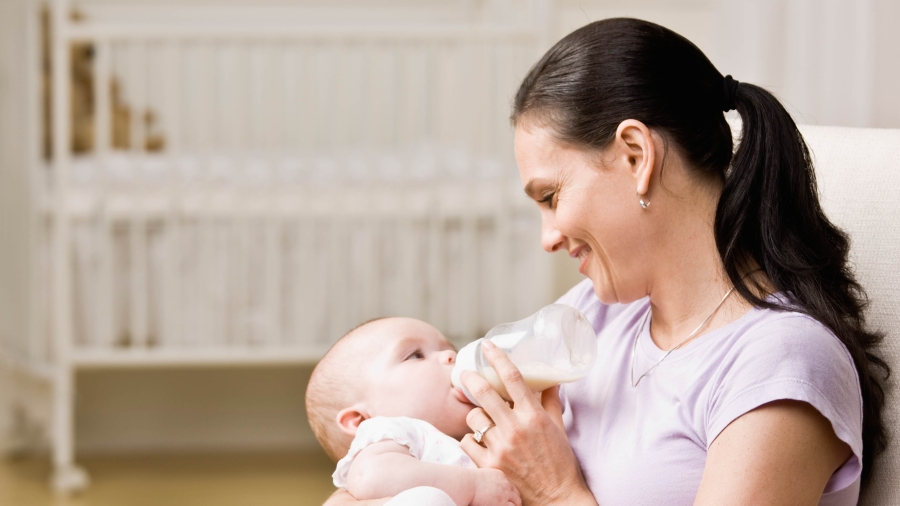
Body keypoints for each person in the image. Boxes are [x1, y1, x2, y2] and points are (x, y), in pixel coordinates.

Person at [323, 17, 888, 506]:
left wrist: (556, 492)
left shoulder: (777, 363)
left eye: (550, 197)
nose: (547, 236)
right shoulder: (596, 316)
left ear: (635, 156)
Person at [305, 317, 521, 506]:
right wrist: (473, 486)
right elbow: (369, 476)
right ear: (360, 421)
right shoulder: (395, 431)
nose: (449, 355)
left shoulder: (487, 438)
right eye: (416, 355)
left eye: (451, 348)